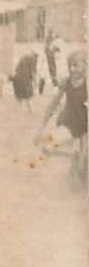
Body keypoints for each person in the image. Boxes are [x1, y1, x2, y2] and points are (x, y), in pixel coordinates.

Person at [35, 49, 87, 184]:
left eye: (76, 65)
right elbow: (53, 105)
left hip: (85, 126)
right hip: (70, 125)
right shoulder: (66, 81)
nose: (72, 68)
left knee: (84, 165)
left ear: (85, 65)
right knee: (46, 146)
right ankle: (75, 158)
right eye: (70, 65)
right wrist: (40, 129)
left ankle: (79, 165)